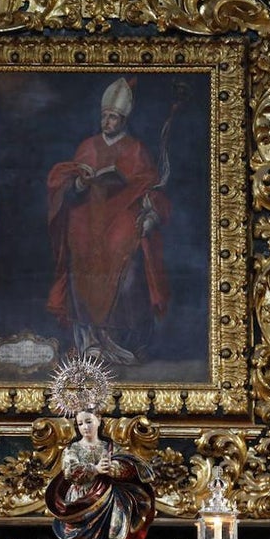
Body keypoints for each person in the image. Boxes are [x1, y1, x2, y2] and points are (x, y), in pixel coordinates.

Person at [46, 77, 171, 365]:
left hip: (122, 218)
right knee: (81, 261)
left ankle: (119, 341)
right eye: (104, 116)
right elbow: (68, 185)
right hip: (88, 219)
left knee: (127, 271)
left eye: (112, 117)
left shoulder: (136, 149)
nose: (107, 121)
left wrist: (150, 215)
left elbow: (149, 187)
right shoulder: (88, 145)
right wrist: (77, 185)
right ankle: (90, 341)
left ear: (123, 119)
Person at [45, 409, 155, 539]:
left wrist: (113, 468)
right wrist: (95, 469)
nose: (84, 427)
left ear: (99, 421)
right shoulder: (73, 449)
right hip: (81, 507)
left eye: (88, 421)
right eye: (80, 424)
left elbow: (130, 468)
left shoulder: (111, 448)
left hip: (110, 505)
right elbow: (70, 472)